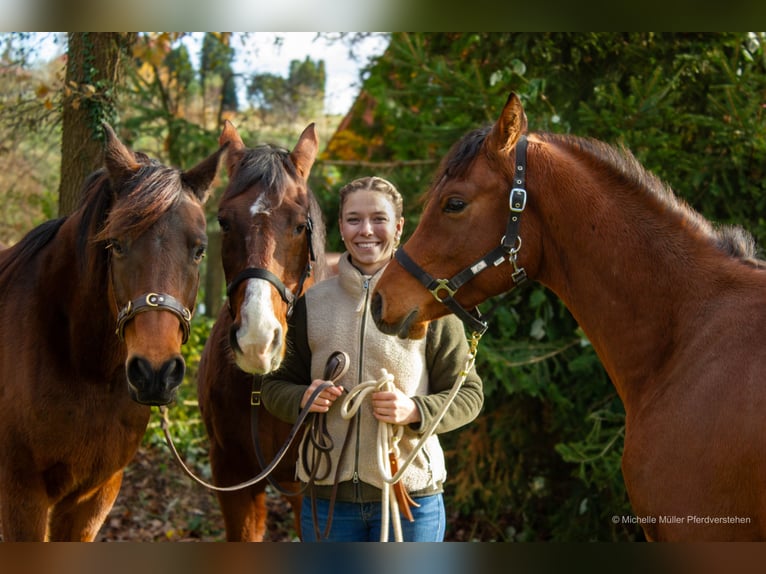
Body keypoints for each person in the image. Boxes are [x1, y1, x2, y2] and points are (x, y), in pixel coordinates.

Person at [261, 176, 484, 542]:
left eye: (378, 219)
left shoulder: (430, 303)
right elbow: (272, 386)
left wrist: (415, 411)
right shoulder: (310, 305)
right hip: (327, 501)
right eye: (354, 219)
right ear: (341, 228)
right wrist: (302, 398)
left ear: (398, 227)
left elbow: (469, 394)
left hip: (410, 500)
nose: (366, 230)